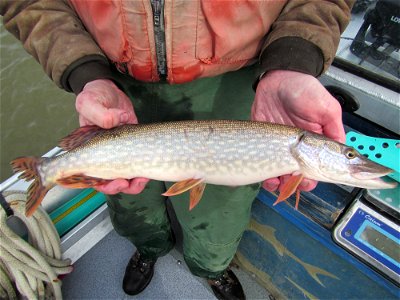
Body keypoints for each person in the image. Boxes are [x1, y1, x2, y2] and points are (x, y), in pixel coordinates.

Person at [1, 1, 354, 299]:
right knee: (130, 201)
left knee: (220, 213)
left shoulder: (289, 141)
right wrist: (84, 73)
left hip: (237, 80)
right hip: (113, 78)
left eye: (349, 155)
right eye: (349, 156)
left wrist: (293, 63)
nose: (352, 159)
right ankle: (148, 248)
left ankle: (211, 268)